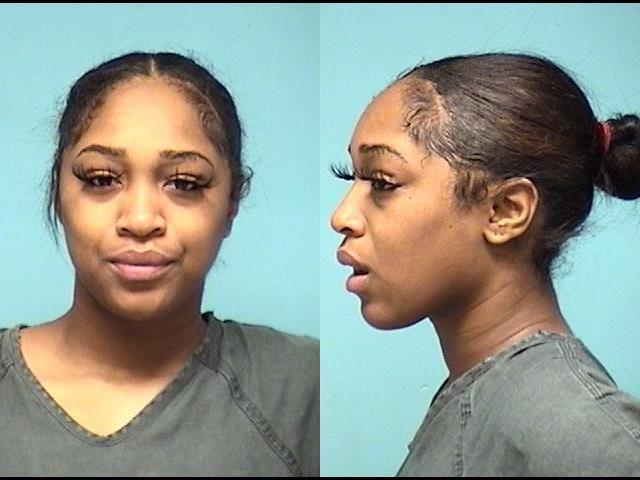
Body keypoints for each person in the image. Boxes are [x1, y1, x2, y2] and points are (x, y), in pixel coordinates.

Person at [0, 52, 319, 476]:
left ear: (231, 204)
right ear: (58, 192)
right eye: (101, 179)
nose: (140, 220)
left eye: (183, 183)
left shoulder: (303, 388)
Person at [331, 52, 640, 476]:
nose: (342, 216)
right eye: (350, 178)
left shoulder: (583, 435)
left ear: (505, 211)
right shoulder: (489, 397)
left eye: (382, 182)